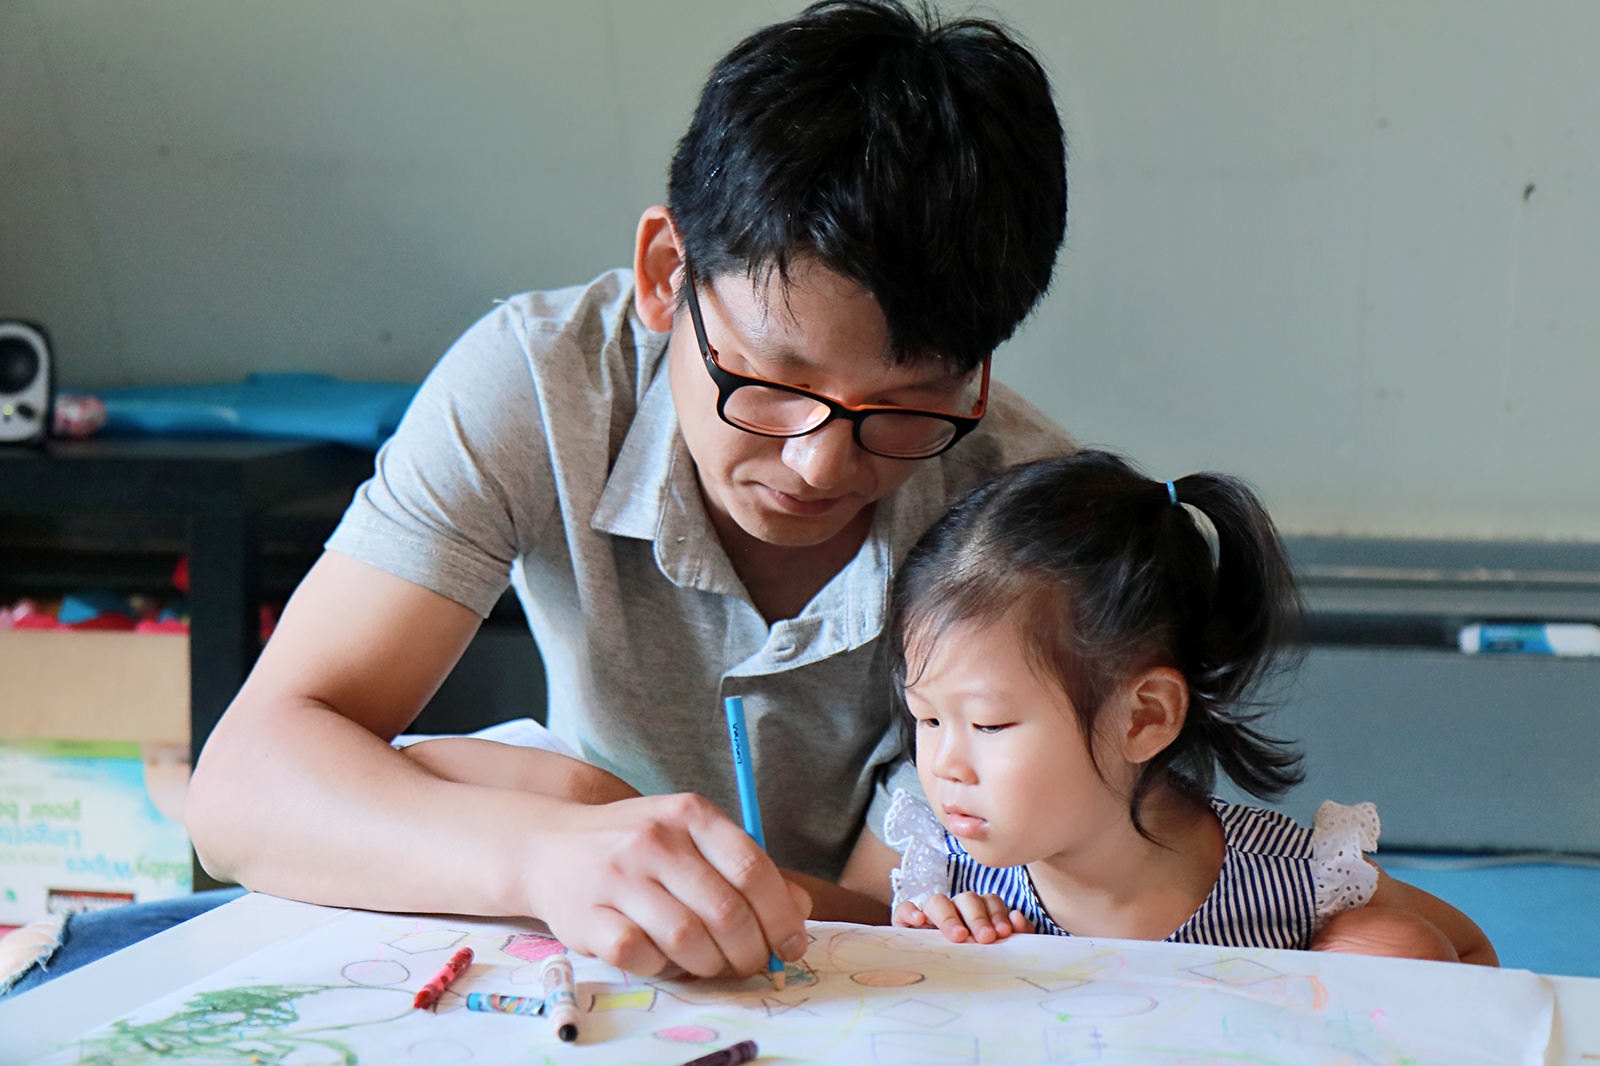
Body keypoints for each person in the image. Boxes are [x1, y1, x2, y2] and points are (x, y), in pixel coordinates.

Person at [0, 0, 1076, 999]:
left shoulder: (1023, 516)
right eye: (773, 382)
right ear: (666, 273)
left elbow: (911, 919)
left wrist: (614, 839)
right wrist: (547, 847)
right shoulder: (541, 384)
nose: (819, 465)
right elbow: (242, 791)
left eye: (904, 406)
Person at [883, 451, 1497, 964]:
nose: (943, 764)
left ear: (1143, 718)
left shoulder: (1298, 886)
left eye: (988, 724)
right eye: (928, 718)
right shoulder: (951, 880)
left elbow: (1472, 954)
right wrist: (936, 953)